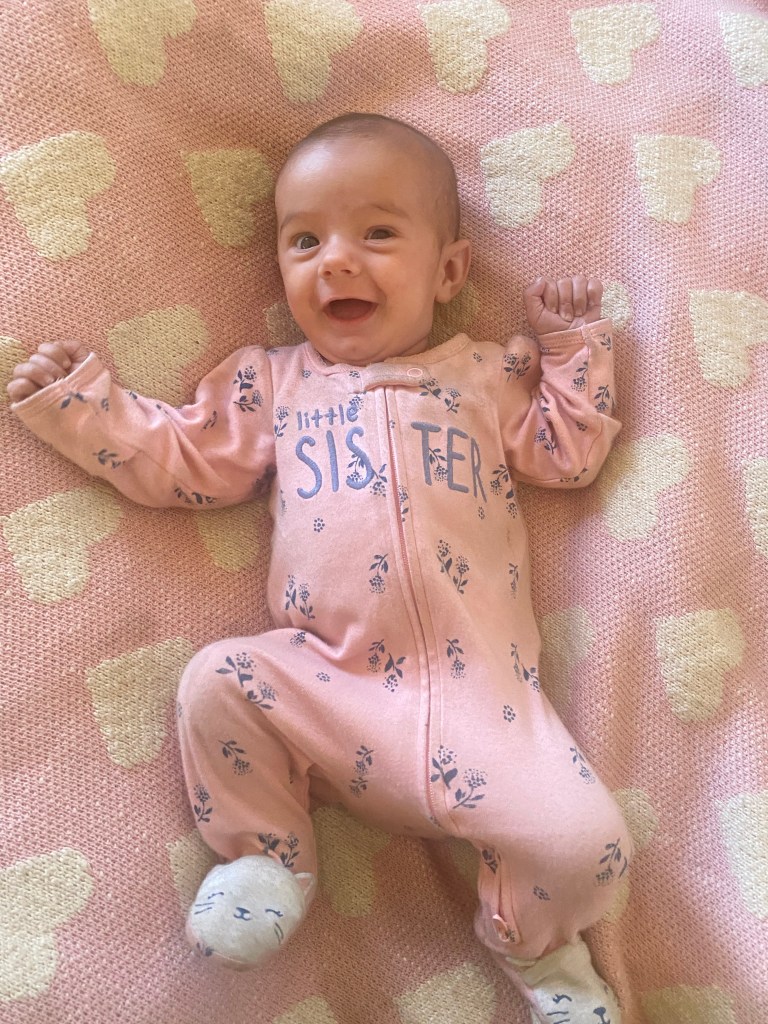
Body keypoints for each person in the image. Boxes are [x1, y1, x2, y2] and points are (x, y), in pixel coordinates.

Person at [8, 113, 632, 1024]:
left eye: (376, 233)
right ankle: (268, 858)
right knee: (218, 678)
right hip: (329, 686)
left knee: (591, 845)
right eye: (304, 241)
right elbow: (189, 456)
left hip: (488, 710)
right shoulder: (275, 383)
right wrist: (83, 407)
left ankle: (543, 952)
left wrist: (575, 352)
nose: (335, 260)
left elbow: (568, 456)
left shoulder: (485, 376)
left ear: (449, 271)